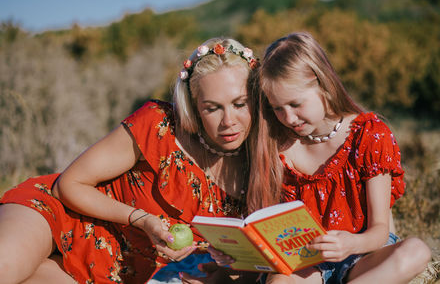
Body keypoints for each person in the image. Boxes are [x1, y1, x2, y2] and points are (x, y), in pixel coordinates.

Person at [0, 37, 261, 283]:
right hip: (59, 213)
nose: (229, 122)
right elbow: (68, 185)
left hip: (109, 274)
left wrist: (219, 274)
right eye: (212, 108)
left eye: (240, 104)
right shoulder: (160, 124)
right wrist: (140, 219)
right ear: (193, 106)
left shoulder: (261, 165)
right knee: (5, 267)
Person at [243, 32, 432, 283]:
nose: (288, 118)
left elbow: (379, 230)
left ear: (323, 84)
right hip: (307, 265)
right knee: (279, 281)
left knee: (416, 251)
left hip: (362, 254)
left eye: (295, 104)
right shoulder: (279, 145)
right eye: (278, 108)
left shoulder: (369, 136)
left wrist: (352, 243)